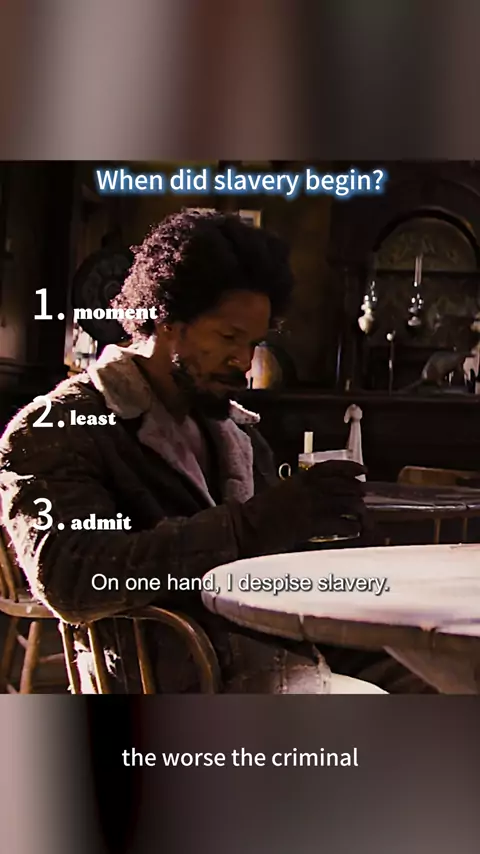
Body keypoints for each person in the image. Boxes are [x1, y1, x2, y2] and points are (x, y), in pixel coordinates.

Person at [0, 209, 431, 693]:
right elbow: (74, 577)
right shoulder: (56, 427)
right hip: (179, 679)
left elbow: (272, 556)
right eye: (228, 337)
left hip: (281, 652)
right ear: (167, 320)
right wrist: (251, 526)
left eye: (253, 343)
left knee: (437, 671)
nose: (243, 361)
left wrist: (333, 537)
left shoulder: (233, 432)